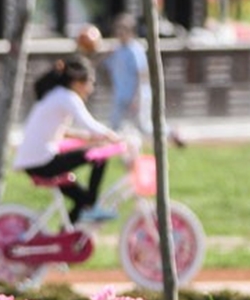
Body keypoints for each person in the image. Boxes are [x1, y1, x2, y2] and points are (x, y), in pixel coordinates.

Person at [12, 55, 126, 225]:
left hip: (36, 162)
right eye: (91, 82)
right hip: (42, 162)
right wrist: (117, 138)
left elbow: (57, 130)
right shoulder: (67, 97)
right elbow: (90, 124)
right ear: (78, 81)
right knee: (99, 156)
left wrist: (87, 137)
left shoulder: (54, 95)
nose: (91, 88)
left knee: (82, 200)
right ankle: (93, 207)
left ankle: (68, 234)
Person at [102, 12, 185, 148]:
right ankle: (110, 151)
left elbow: (142, 75)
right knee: (114, 124)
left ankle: (171, 132)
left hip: (136, 95)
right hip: (121, 95)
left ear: (131, 32)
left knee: (144, 127)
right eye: (118, 30)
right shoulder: (116, 50)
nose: (119, 33)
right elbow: (106, 67)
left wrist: (137, 98)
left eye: (123, 30)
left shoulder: (135, 50)